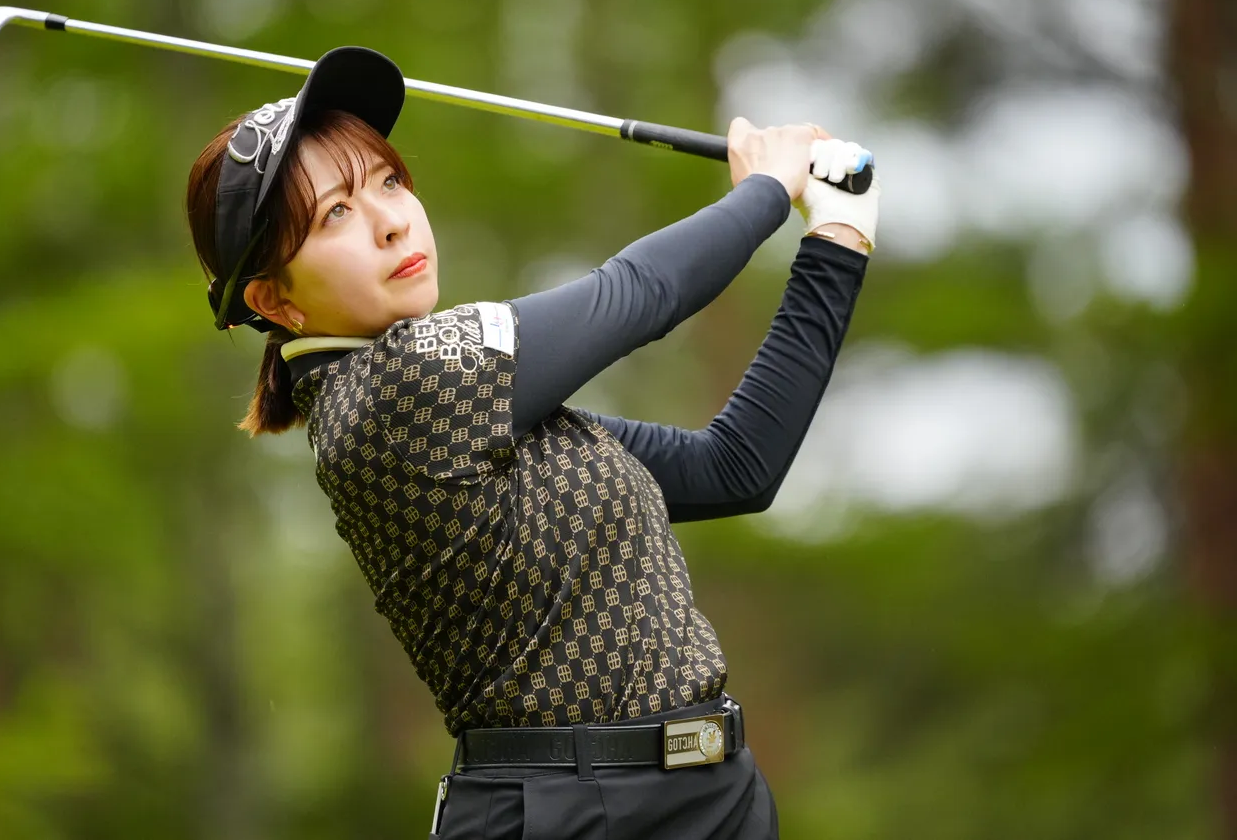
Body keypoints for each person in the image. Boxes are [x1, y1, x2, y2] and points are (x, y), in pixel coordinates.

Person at [185, 47, 879, 840]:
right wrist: (767, 186)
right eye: (334, 214)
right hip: (571, 812)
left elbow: (733, 468)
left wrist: (838, 238)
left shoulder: (480, 412)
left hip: (715, 798)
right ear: (276, 301)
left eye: (388, 181)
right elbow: (638, 292)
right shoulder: (395, 390)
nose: (391, 219)